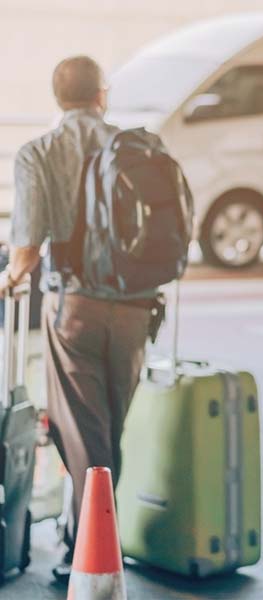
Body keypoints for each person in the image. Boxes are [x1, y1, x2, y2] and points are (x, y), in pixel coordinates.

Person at [3, 55, 154, 583]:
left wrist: (10, 278)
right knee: (109, 430)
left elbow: (26, 245)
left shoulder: (39, 152)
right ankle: (91, 538)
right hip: (137, 309)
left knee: (86, 438)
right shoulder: (136, 147)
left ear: (57, 97)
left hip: (76, 312)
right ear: (102, 95)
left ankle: (86, 555)